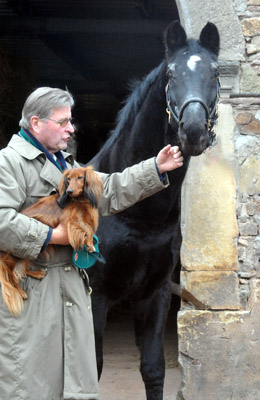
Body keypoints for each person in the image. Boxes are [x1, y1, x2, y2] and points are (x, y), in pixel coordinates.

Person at [0, 87, 183, 400]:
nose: (72, 128)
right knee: (31, 387)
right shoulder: (9, 163)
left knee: (75, 387)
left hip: (70, 289)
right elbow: (2, 222)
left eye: (71, 121)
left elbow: (107, 190)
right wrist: (53, 236)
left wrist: (153, 169)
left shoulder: (65, 163)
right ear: (36, 123)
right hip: (32, 291)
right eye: (63, 122)